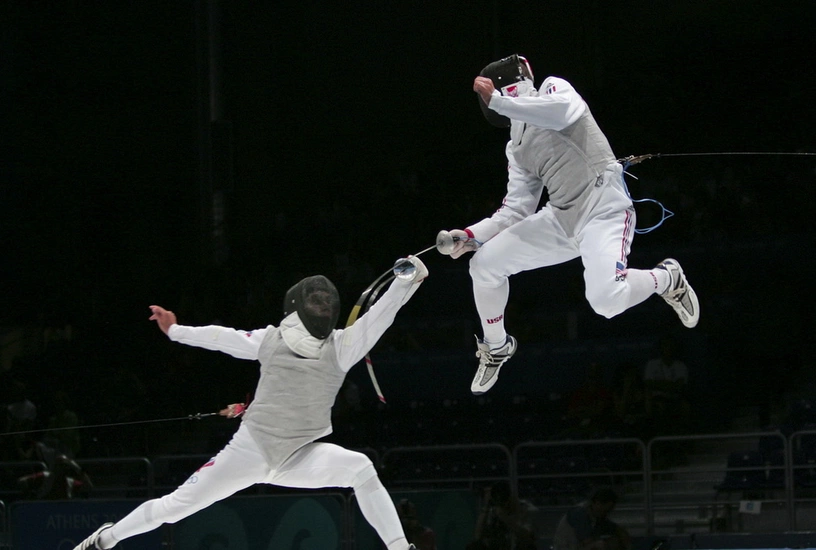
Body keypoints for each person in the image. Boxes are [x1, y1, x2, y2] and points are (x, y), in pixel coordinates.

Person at [72, 255, 429, 550]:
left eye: (325, 302)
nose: (321, 306)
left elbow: (382, 314)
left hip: (299, 455)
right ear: (298, 305)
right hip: (250, 450)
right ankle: (105, 540)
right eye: (315, 301)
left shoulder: (342, 346)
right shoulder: (271, 339)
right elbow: (222, 338)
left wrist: (407, 278)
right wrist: (176, 331)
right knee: (176, 507)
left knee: (360, 467)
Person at [438, 54, 699, 395]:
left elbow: (560, 113)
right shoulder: (515, 147)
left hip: (603, 209)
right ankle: (497, 346)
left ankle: (666, 279)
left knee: (606, 301)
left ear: (505, 90)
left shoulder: (553, 89)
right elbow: (515, 210)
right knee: (484, 264)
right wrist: (471, 235)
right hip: (561, 218)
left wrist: (499, 102)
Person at [467, 481, 537, 550]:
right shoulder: (492, 511)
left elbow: (527, 537)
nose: (503, 505)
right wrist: (486, 507)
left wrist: (505, 518)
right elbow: (478, 536)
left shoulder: (527, 509)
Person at [553, 487, 631, 550]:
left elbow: (616, 529)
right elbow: (588, 541)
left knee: (614, 540)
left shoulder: (596, 514)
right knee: (600, 545)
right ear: (597, 503)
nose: (606, 513)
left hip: (578, 547)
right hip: (567, 548)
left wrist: (621, 534)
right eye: (605, 510)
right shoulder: (580, 513)